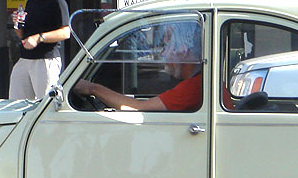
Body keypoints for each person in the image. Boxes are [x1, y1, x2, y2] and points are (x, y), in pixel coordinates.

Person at [73, 22, 202, 112]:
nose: (163, 53)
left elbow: (138, 108)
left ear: (183, 49)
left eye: (167, 46)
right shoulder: (197, 82)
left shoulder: (194, 87)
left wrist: (92, 88)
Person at [9, 0, 70, 100]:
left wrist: (39, 37)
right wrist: (17, 24)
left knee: (46, 104)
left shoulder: (57, 2)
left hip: (45, 61)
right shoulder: (31, 2)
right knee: (16, 104)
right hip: (24, 59)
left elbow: (66, 32)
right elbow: (23, 35)